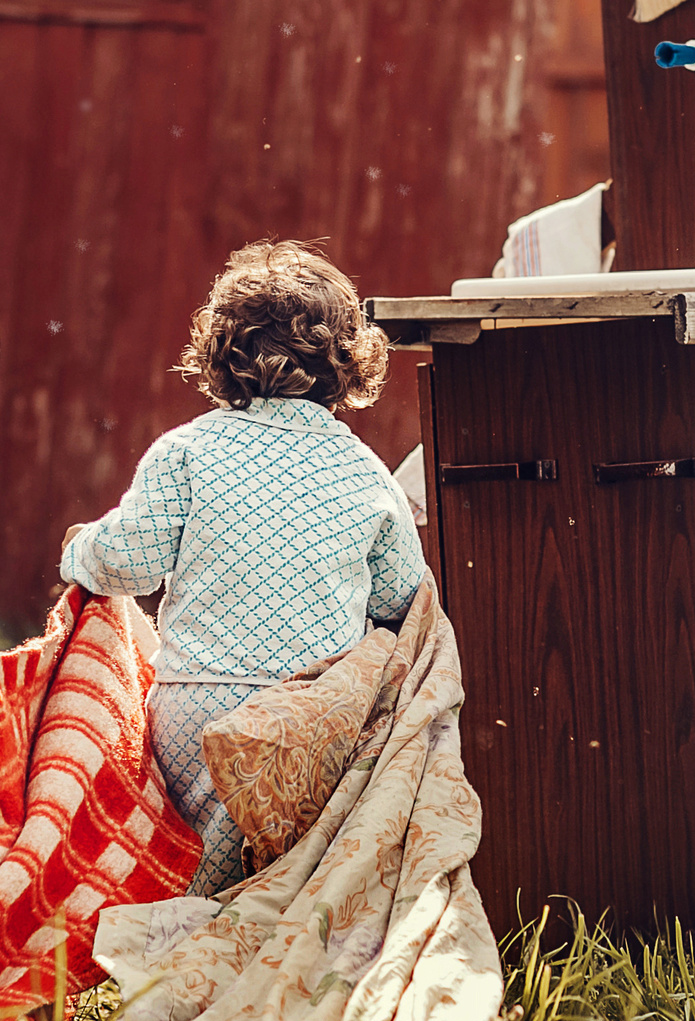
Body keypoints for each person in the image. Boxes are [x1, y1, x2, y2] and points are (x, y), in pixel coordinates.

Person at [59, 240, 429, 898]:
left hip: (196, 711)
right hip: (310, 720)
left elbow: (127, 564)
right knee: (283, 880)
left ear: (223, 353)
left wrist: (80, 547)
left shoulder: (188, 451)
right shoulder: (369, 474)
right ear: (351, 362)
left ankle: (173, 930)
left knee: (189, 872)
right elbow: (404, 600)